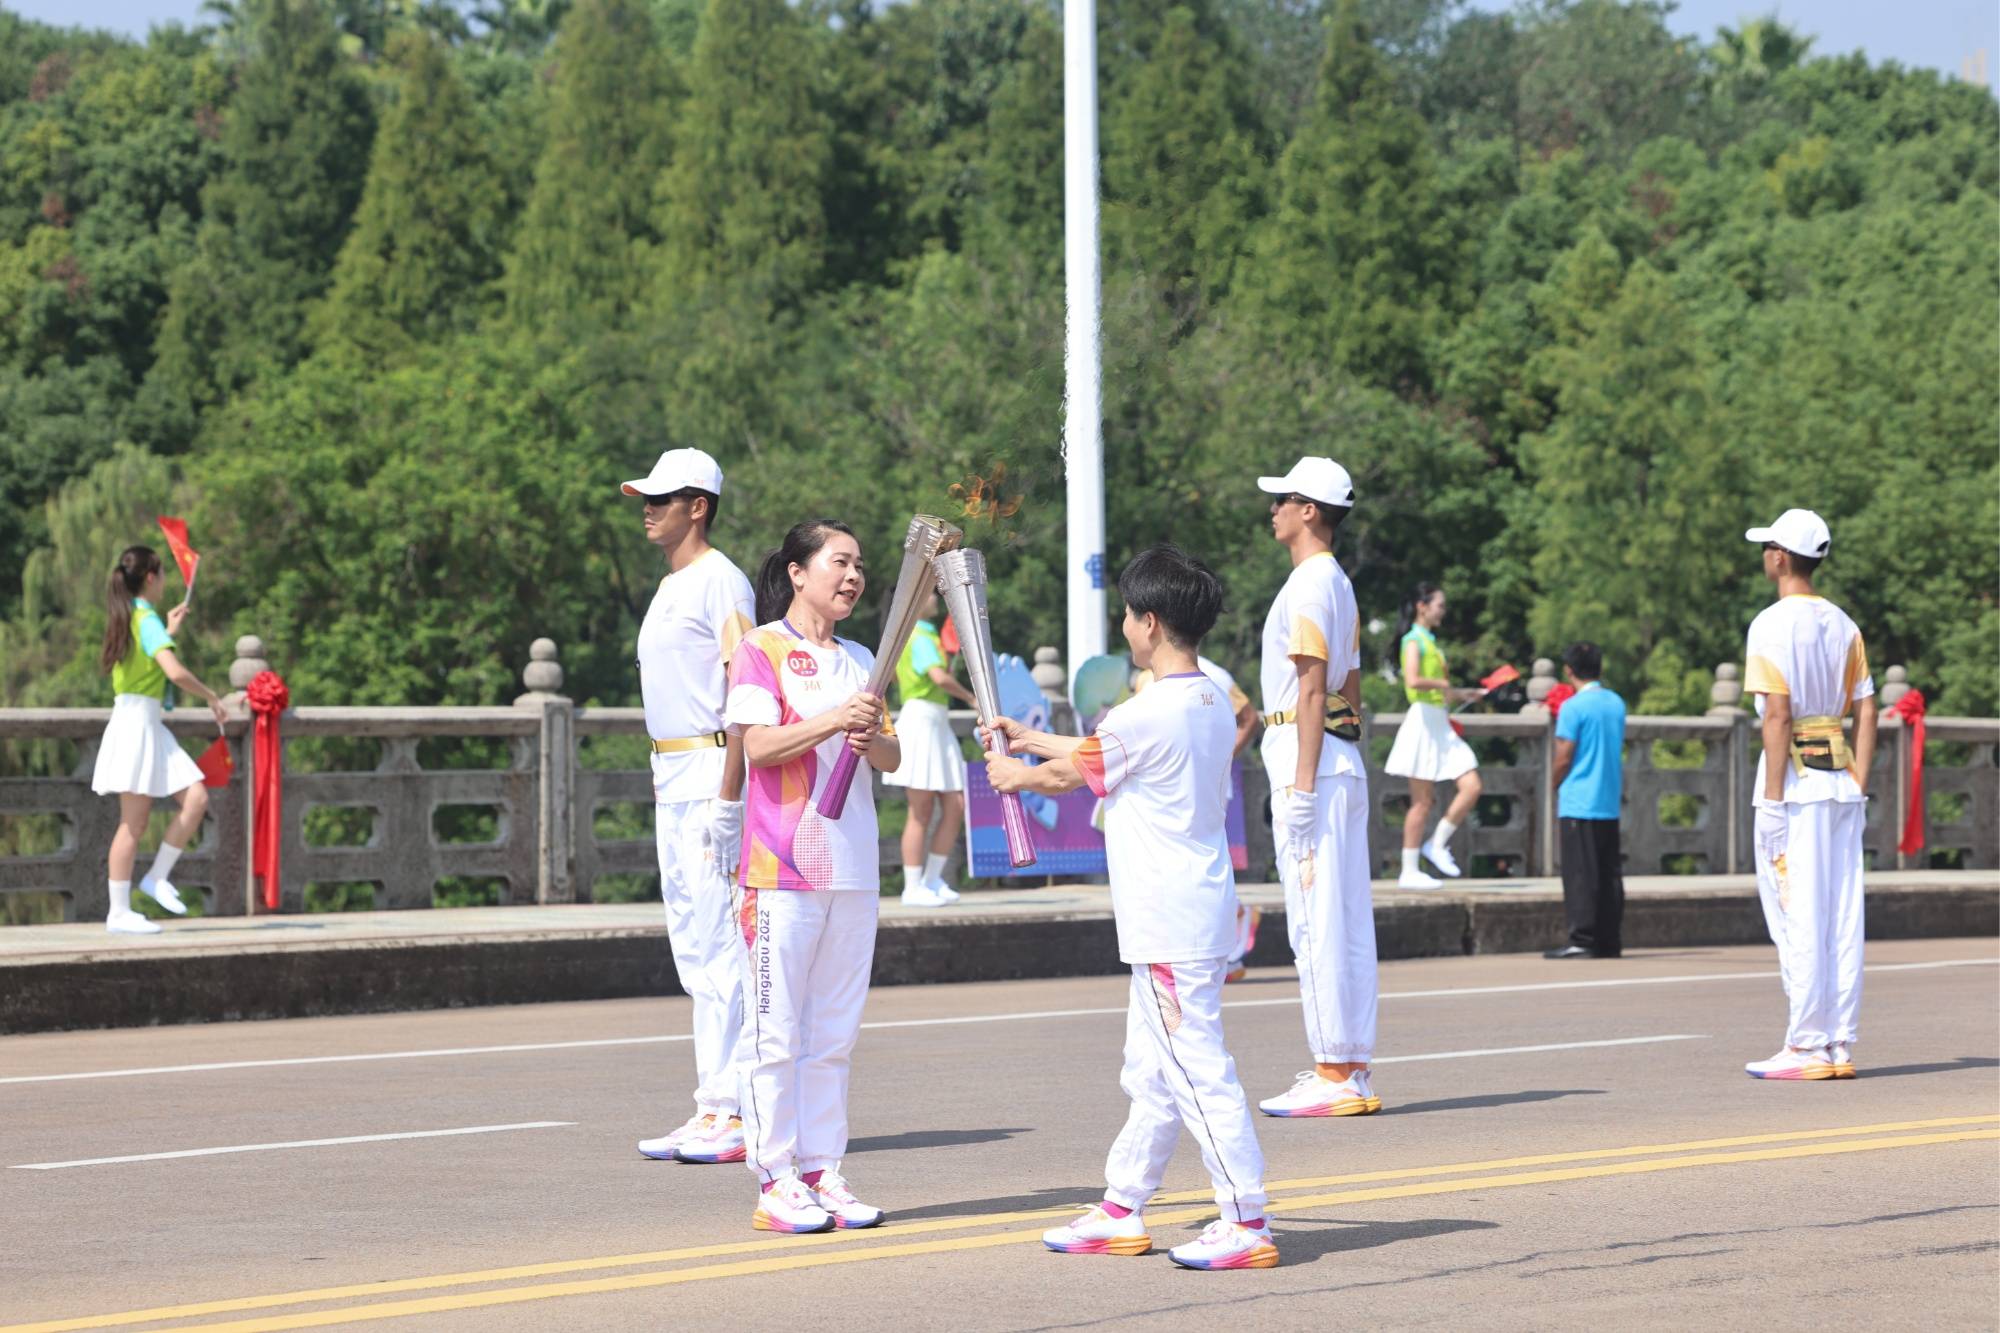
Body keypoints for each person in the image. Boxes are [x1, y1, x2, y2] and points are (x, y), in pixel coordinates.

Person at [984, 544, 1276, 1271]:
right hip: (1189, 909)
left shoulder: (1148, 711)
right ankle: (1122, 1205)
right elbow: (1100, 747)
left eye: (1126, 613)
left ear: (1149, 622)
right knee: (1151, 1070)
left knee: (1195, 1066)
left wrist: (1016, 773)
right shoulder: (1208, 695)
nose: (1123, 623)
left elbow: (1069, 774)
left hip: (1169, 918)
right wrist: (1030, 738)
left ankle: (1247, 1217)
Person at [724, 518, 902, 1233]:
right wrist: (833, 720)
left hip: (853, 869)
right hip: (781, 868)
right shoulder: (761, 649)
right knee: (774, 1032)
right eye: (840, 562)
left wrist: (872, 736)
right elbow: (759, 746)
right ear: (798, 572)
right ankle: (776, 1178)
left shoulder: (864, 657)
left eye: (860, 564)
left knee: (833, 1035)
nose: (853, 576)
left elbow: (889, 760)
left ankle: (825, 1168)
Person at [622, 449, 758, 1167]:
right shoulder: (673, 584)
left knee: (720, 944)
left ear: (697, 505)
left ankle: (732, 1108)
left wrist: (731, 792)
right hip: (673, 773)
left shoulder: (721, 581)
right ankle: (712, 1102)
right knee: (692, 945)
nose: (648, 507)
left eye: (662, 497)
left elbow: (747, 691)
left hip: (711, 773)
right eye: (646, 497)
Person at [1252, 457, 1381, 1119]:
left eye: (1284, 499)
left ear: (1309, 510)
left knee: (1316, 919)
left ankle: (1334, 1068)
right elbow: (1348, 692)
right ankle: (1349, 1062)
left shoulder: (1308, 583)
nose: (1272, 508)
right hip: (1338, 762)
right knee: (1345, 916)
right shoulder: (1339, 583)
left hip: (1309, 764)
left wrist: (1301, 787)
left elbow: (1312, 686)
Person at [1741, 509, 1875, 1081]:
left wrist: (1771, 799)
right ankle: (1838, 1041)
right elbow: (1868, 708)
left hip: (1794, 785)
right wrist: (1860, 783)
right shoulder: (1845, 625)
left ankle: (1806, 1044)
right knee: (1842, 913)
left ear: (1779, 556)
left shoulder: (1770, 623)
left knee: (1795, 909)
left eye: (1767, 546)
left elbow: (1777, 714)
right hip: (1841, 781)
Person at [91, 545, 229, 935]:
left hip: (143, 722)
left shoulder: (133, 616)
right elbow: (174, 671)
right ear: (151, 577)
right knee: (132, 825)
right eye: (162, 574)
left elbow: (149, 661)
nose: (166, 580)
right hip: (139, 725)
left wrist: (168, 631)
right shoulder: (144, 619)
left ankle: (156, 878)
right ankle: (118, 912)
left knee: (196, 797)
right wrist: (212, 697)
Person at [1131, 652, 1262, 981]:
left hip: (1204, 788)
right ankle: (1227, 931)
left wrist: (1219, 757)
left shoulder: (1213, 674)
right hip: (1164, 790)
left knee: (1200, 864)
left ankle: (1223, 945)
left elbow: (1249, 718)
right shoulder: (1145, 678)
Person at [1384, 584, 1485, 889]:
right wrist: (1442, 683)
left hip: (1438, 719)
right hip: (1424, 722)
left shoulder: (1430, 641)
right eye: (1439, 604)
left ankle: (1436, 844)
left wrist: (1462, 693)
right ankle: (1409, 869)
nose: (1443, 610)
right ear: (1422, 606)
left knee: (1471, 786)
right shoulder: (1413, 640)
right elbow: (1413, 680)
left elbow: (1435, 689)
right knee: (1422, 801)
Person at [884, 591, 976, 908]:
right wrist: (970, 697)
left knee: (955, 804)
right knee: (920, 809)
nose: (936, 598)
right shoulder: (919, 634)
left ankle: (933, 879)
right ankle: (912, 886)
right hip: (922, 719)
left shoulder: (926, 634)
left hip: (936, 720)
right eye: (930, 594)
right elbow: (938, 677)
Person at [1545, 642, 1627, 960]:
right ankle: (1609, 938)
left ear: (1569, 671)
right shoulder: (1616, 703)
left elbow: (1564, 756)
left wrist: (1551, 784)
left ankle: (1583, 938)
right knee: (1608, 873)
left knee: (1580, 873)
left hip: (1579, 798)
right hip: (1607, 797)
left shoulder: (1573, 707)